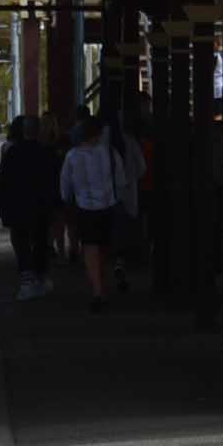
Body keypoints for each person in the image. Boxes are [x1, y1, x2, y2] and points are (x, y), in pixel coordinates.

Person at [60, 108, 140, 308]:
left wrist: (67, 200)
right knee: (104, 247)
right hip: (108, 206)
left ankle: (97, 290)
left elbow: (65, 186)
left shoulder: (71, 156)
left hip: (85, 208)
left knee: (90, 248)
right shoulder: (110, 153)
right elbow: (121, 181)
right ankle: (102, 282)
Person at [0, 111, 58, 299]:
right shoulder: (47, 154)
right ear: (39, 131)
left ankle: (27, 281)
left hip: (18, 210)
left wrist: (0, 206)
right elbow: (56, 183)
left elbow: (0, 184)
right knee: (41, 242)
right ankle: (41, 278)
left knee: (21, 243)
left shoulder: (13, 154)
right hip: (42, 209)